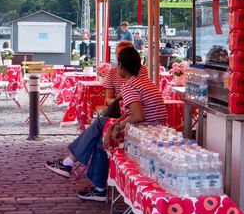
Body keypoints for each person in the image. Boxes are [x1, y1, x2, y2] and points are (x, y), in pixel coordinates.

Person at [45, 48, 165, 202]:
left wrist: (116, 127)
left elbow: (138, 115)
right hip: (154, 130)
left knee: (100, 124)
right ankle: (96, 186)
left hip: (143, 134)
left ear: (120, 65)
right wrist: (112, 128)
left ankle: (72, 165)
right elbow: (133, 114)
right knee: (101, 136)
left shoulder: (130, 86)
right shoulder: (146, 82)